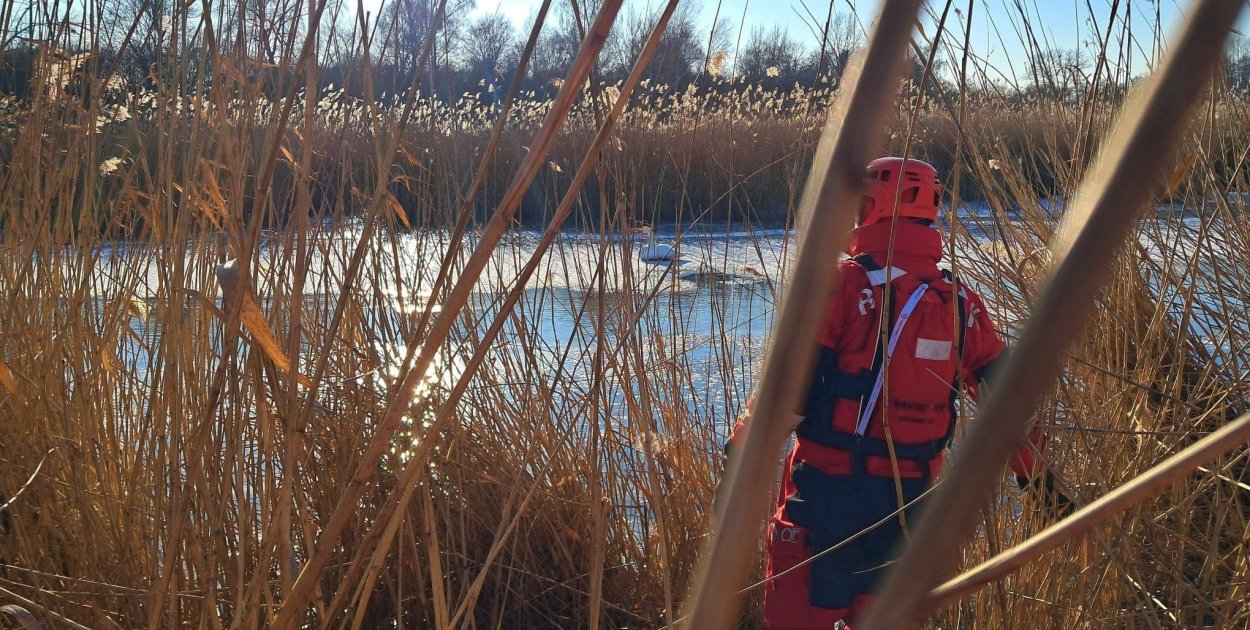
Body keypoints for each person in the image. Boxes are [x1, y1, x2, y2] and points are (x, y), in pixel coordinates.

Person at [725, 157, 1070, 629]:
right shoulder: (960, 303)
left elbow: (789, 391)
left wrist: (741, 450)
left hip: (825, 506)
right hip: (910, 511)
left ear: (874, 206)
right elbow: (1009, 405)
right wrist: (1039, 481)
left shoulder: (840, 284)